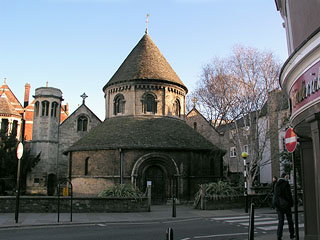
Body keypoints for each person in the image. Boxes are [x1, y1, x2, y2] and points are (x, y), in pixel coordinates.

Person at [274, 172, 295, 240]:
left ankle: (279, 235)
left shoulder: (277, 184)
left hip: (279, 205)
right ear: (285, 177)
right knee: (290, 220)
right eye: (288, 177)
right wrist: (291, 203)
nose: (288, 179)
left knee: (281, 221)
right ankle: (292, 234)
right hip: (286, 205)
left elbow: (276, 196)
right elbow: (288, 195)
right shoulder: (286, 184)